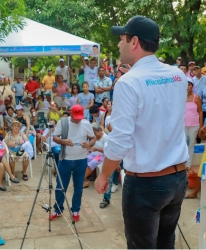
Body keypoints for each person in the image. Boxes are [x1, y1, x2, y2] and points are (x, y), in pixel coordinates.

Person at [95, 16, 188, 249]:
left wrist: (104, 174)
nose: (119, 44)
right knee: (166, 243)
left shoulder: (128, 83)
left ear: (134, 41)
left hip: (147, 184)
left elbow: (119, 142)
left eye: (122, 39)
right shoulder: (178, 75)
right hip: (177, 178)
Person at [50, 105, 96, 222]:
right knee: (60, 186)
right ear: (71, 113)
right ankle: (58, 209)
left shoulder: (86, 123)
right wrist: (62, 141)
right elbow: (55, 137)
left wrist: (89, 144)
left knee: (78, 187)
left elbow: (93, 138)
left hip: (81, 160)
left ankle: (75, 210)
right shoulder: (63, 122)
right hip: (65, 159)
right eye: (76, 117)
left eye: (79, 117)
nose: (77, 120)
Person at [185, 78, 203, 174]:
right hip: (182, 125)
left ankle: (189, 166)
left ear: (192, 86)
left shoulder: (197, 97)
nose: (187, 87)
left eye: (189, 84)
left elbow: (200, 112)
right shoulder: (179, 97)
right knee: (182, 145)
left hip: (194, 125)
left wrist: (201, 126)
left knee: (191, 144)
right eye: (186, 84)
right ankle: (182, 165)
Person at [83, 123, 107, 188]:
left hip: (101, 156)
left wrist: (97, 149)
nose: (94, 134)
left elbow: (107, 150)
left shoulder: (105, 138)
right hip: (93, 154)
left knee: (93, 162)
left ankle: (82, 179)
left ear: (100, 130)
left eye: (95, 132)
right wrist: (89, 148)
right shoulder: (93, 138)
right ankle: (85, 180)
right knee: (84, 158)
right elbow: (91, 146)